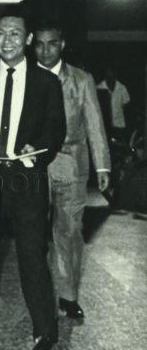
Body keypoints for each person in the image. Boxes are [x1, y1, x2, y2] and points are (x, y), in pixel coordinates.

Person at [0, 8, 66, 350]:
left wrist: (36, 151)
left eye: (15, 34)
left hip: (26, 180)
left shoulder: (46, 82)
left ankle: (45, 334)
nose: (7, 40)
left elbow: (56, 130)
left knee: (32, 257)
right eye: (1, 33)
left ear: (27, 39)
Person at [33, 20, 110, 323]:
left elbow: (94, 123)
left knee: (69, 232)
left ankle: (68, 297)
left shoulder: (81, 79)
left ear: (62, 44)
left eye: (52, 43)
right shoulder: (25, 76)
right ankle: (38, 295)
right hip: (33, 168)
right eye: (40, 44)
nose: (45, 50)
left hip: (72, 166)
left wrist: (102, 165)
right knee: (34, 234)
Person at [97, 67, 131, 142]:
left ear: (115, 76)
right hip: (105, 125)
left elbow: (127, 103)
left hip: (119, 124)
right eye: (108, 76)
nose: (110, 79)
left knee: (119, 145)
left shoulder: (122, 87)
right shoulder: (99, 88)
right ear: (105, 76)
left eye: (112, 77)